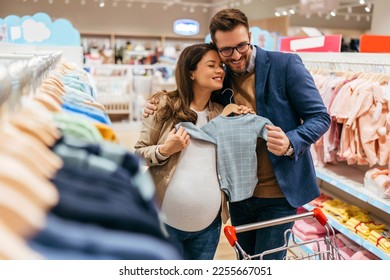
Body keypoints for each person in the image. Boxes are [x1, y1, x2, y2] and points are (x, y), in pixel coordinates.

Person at [143, 9, 331, 260]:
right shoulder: (221, 78)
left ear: (250, 36)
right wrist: (159, 101)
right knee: (245, 261)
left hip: (278, 192)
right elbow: (193, 89)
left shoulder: (285, 65)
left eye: (242, 45)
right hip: (239, 194)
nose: (237, 55)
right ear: (217, 49)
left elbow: (320, 117)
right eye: (227, 50)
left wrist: (290, 141)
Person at [134, 43, 251, 260]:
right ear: (191, 73)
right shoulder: (163, 105)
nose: (220, 71)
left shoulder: (223, 114)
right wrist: (165, 150)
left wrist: (244, 116)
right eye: (211, 65)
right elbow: (138, 152)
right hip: (165, 223)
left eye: (221, 66)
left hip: (208, 227)